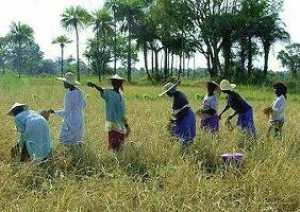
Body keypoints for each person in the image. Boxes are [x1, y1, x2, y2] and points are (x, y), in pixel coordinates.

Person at [87, 74, 129, 152]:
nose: (117, 84)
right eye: (114, 82)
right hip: (112, 122)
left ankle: (118, 157)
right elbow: (101, 89)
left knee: (120, 142)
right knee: (114, 142)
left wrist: (126, 124)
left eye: (118, 82)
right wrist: (94, 85)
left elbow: (122, 111)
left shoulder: (121, 94)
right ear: (112, 83)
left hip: (120, 122)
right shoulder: (109, 93)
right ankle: (115, 157)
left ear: (120, 83)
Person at [50, 72, 86, 145]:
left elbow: (66, 112)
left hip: (71, 121)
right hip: (79, 119)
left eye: (64, 82)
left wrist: (54, 112)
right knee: (77, 141)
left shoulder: (69, 94)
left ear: (69, 83)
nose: (63, 83)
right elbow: (84, 105)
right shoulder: (79, 91)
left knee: (64, 141)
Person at [159, 82, 196, 147]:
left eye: (167, 92)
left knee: (185, 139)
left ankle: (185, 154)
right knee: (187, 137)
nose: (167, 94)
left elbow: (177, 113)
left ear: (170, 92)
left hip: (185, 117)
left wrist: (171, 122)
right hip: (189, 114)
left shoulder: (177, 98)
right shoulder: (178, 94)